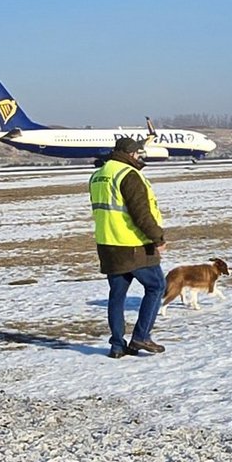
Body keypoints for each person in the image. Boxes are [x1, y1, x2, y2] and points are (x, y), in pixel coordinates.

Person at [88, 136, 167, 359]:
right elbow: (141, 214)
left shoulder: (98, 175)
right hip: (132, 244)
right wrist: (158, 238)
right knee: (157, 286)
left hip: (107, 245)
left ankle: (117, 345)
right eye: (138, 153)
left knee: (117, 296)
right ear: (131, 153)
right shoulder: (128, 174)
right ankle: (141, 336)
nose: (139, 157)